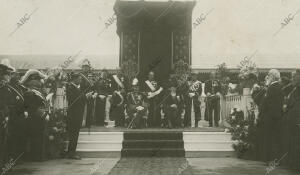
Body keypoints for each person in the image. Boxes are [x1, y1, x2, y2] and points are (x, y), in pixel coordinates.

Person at [21, 69, 49, 161]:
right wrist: (43, 114)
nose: (39, 82)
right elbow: (32, 107)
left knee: (39, 137)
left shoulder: (37, 92)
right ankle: (35, 156)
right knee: (35, 138)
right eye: (37, 81)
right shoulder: (29, 92)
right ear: (31, 82)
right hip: (34, 119)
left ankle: (38, 155)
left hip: (39, 119)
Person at [259, 69, 284, 162]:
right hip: (275, 116)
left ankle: (270, 159)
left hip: (270, 116)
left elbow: (267, 102)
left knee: (269, 138)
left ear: (273, 77)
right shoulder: (278, 86)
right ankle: (273, 158)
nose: (267, 77)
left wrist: (262, 112)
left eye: (269, 75)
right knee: (274, 138)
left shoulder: (273, 87)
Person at [282, 70, 300, 170]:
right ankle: (293, 164)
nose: (292, 79)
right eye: (292, 77)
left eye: (294, 77)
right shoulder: (293, 90)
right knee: (292, 143)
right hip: (291, 121)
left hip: (297, 121)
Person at [65, 73, 85, 159]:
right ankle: (71, 153)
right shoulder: (70, 88)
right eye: (79, 79)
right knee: (73, 135)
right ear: (75, 79)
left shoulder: (75, 88)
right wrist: (85, 97)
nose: (80, 80)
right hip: (73, 115)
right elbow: (74, 100)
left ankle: (72, 152)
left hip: (76, 115)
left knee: (75, 135)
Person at [0, 59, 15, 168]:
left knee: (4, 142)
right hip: (2, 117)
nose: (9, 77)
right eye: (7, 74)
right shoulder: (3, 88)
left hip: (4, 117)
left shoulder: (6, 87)